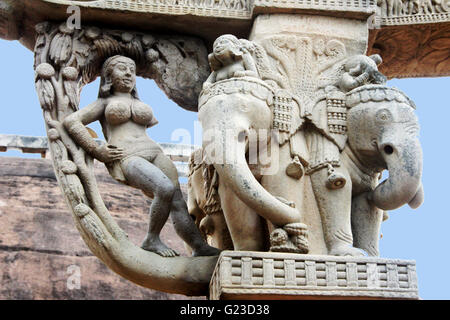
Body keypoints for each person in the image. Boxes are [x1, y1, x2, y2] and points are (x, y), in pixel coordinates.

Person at [64, 55, 220, 257]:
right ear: (108, 76)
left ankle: (199, 246)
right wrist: (96, 150)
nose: (129, 73)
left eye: (131, 69)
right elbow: (72, 122)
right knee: (163, 188)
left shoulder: (138, 102)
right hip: (127, 154)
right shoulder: (104, 103)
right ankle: (151, 239)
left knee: (177, 199)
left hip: (153, 151)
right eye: (122, 68)